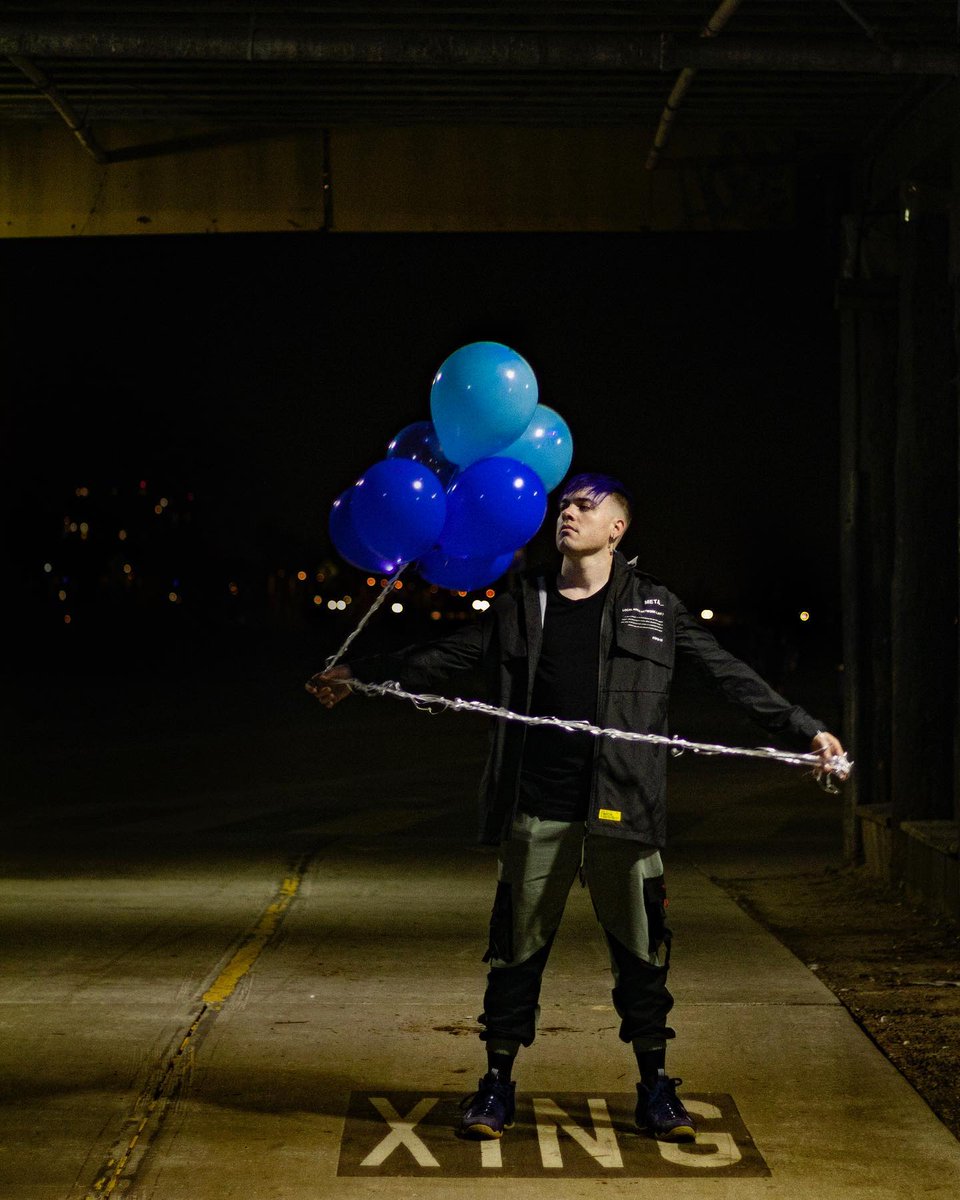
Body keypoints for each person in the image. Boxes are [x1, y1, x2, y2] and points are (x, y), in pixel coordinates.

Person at [308, 473, 846, 1144]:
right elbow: (446, 657)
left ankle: (655, 1087)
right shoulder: (520, 603)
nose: (569, 513)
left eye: (586, 507)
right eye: (565, 506)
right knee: (514, 954)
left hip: (624, 810)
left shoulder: (654, 607)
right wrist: (358, 673)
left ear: (617, 529)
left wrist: (805, 729)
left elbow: (730, 676)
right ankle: (496, 1085)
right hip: (538, 807)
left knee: (644, 958)